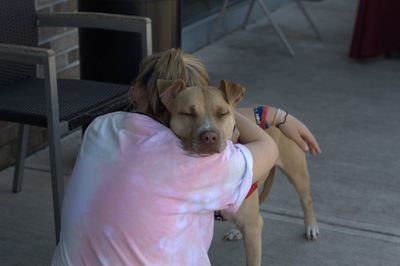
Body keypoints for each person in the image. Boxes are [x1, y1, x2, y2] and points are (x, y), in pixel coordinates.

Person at [51, 49, 320, 265]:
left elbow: (193, 117)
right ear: (172, 100)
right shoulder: (195, 163)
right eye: (189, 110)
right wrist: (271, 114)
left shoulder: (102, 126)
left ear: (136, 91)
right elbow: (268, 148)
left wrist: (210, 108)